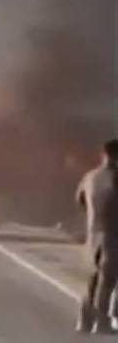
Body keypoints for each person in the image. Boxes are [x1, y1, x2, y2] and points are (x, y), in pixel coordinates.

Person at [76, 139, 118, 334]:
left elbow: (80, 200)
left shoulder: (90, 176)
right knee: (107, 281)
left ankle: (84, 322)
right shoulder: (115, 177)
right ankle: (102, 323)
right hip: (112, 234)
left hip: (94, 234)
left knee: (93, 279)